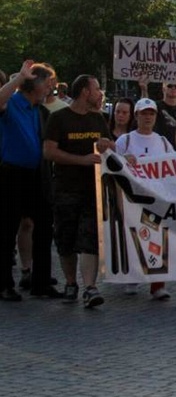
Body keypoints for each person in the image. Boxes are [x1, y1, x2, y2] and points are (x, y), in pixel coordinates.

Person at [43, 75, 115, 308]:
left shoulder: (99, 118)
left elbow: (109, 145)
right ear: (85, 91)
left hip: (91, 190)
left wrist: (106, 145)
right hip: (65, 189)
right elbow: (49, 152)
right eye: (96, 89)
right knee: (65, 239)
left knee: (90, 239)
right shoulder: (58, 118)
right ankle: (71, 282)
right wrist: (81, 160)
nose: (99, 93)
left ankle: (90, 287)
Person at [115, 97, 176, 300]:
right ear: (136, 116)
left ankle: (158, 284)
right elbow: (112, 164)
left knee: (158, 239)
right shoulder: (125, 141)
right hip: (132, 198)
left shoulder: (163, 141)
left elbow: (173, 164)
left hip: (156, 198)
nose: (148, 117)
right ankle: (132, 276)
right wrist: (124, 159)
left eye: (151, 113)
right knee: (133, 237)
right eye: (144, 113)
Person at [0, 60, 61, 301]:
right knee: (6, 229)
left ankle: (41, 281)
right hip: (12, 173)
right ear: (33, 83)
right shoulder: (12, 103)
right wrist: (17, 79)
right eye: (47, 83)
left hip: (37, 174)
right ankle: (4, 283)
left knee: (44, 226)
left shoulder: (40, 110)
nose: (50, 88)